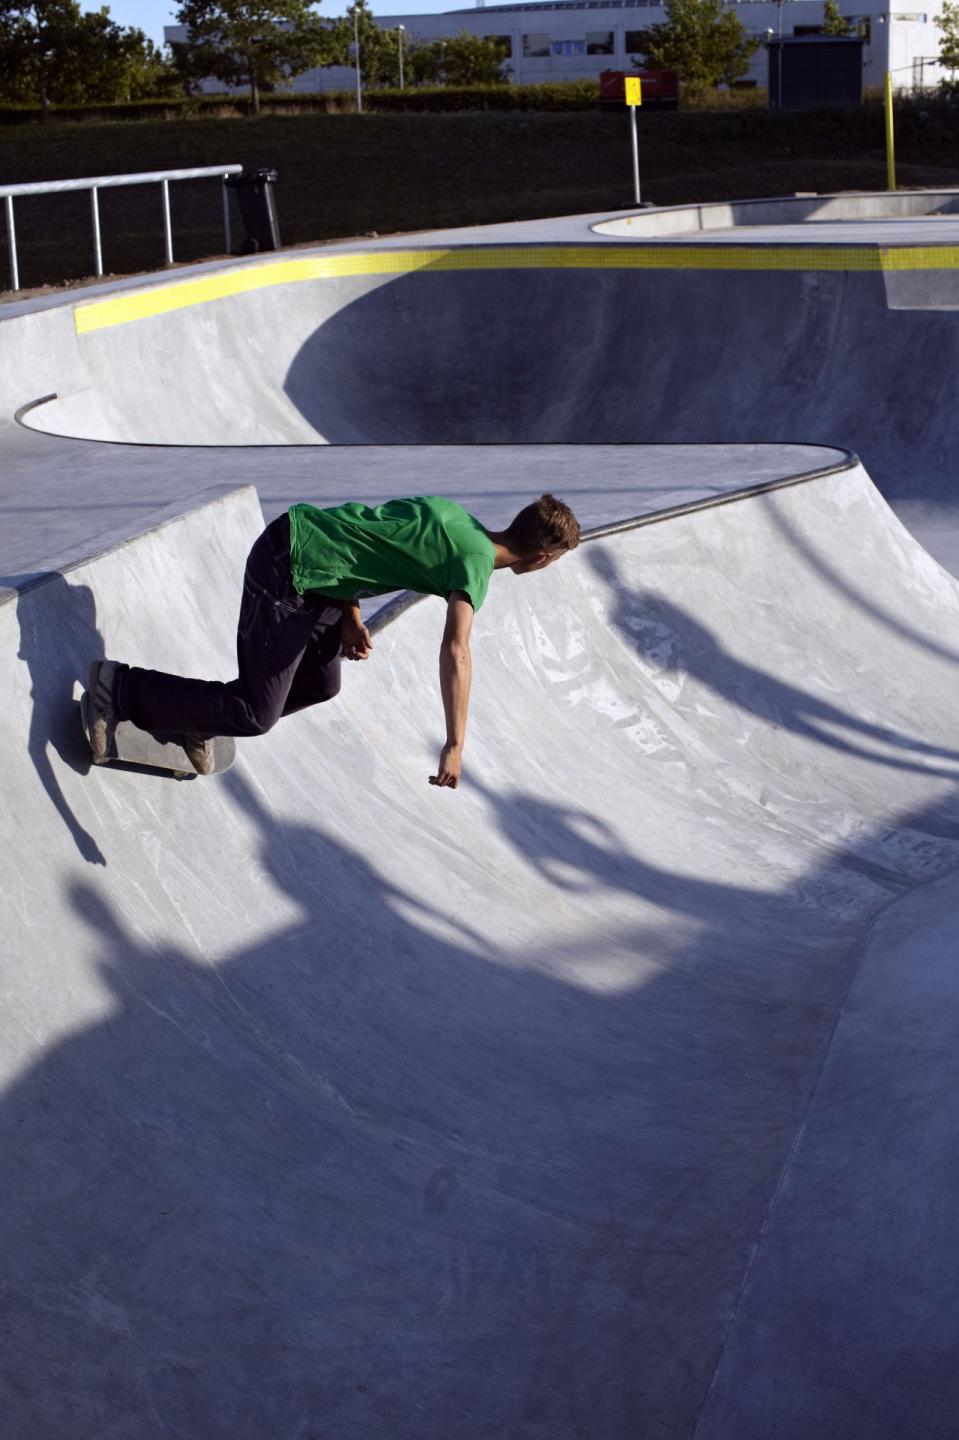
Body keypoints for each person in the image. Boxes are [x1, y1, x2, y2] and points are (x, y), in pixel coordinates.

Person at [88, 493, 581, 789]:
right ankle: (121, 689)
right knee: (255, 715)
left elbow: (359, 530)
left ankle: (196, 719)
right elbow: (457, 650)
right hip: (290, 567)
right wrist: (454, 744)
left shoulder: (452, 515)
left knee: (323, 685)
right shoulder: (474, 566)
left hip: (318, 573)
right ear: (540, 558)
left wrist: (350, 613)